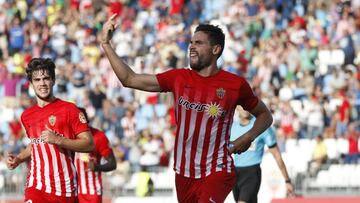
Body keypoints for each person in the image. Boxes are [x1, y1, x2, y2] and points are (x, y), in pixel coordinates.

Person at [100, 15, 273, 203]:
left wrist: (248, 137)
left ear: (216, 49)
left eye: (198, 43)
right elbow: (129, 79)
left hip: (217, 169)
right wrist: (106, 44)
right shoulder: (179, 78)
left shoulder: (235, 85)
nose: (191, 46)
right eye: (191, 42)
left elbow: (265, 115)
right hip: (183, 172)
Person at [6, 58, 95, 203]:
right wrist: (19, 159)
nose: (42, 83)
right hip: (36, 186)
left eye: (46, 78)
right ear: (31, 83)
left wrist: (59, 140)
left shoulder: (69, 109)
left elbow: (89, 144)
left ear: (53, 80)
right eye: (37, 80)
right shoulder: (26, 116)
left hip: (64, 190)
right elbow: (36, 144)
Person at [230, 107, 295, 203]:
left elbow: (277, 155)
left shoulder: (261, 126)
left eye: (246, 104)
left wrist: (287, 180)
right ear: (236, 107)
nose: (245, 108)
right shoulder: (232, 127)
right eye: (241, 105)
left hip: (252, 172)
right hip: (235, 173)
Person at [75, 107, 117, 203]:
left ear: (87, 121)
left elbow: (113, 164)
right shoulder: (68, 136)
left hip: (91, 192)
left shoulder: (98, 136)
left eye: (82, 120)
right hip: (72, 191)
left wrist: (97, 167)